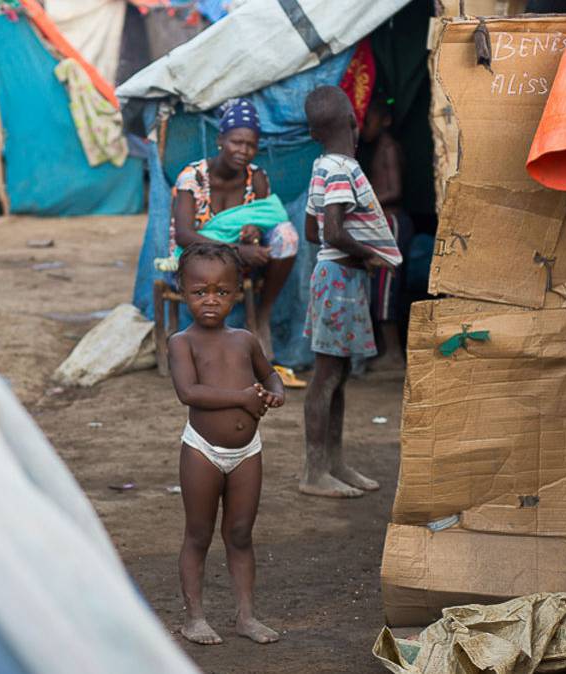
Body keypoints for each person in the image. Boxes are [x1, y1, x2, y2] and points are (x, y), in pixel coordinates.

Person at [167, 242, 284, 646]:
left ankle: (246, 616)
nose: (211, 300)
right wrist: (242, 398)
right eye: (200, 292)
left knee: (240, 533)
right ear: (182, 291)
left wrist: (276, 393)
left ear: (237, 292)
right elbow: (188, 392)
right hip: (202, 451)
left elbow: (270, 375)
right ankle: (194, 618)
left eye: (221, 291)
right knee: (198, 534)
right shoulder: (182, 342)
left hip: (247, 453)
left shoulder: (245, 340)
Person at [300, 86, 402, 499]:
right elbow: (332, 232)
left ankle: (333, 463)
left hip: (336, 277)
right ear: (352, 123)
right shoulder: (342, 169)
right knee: (327, 376)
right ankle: (314, 471)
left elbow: (312, 231)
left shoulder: (321, 167)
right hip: (340, 280)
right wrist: (370, 254)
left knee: (337, 374)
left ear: (313, 134)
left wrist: (351, 252)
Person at [170, 100, 299, 359]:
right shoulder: (193, 177)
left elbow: (262, 221)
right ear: (220, 140)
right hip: (195, 260)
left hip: (240, 263)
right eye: (236, 142)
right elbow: (184, 235)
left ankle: (263, 315)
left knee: (286, 236)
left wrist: (253, 231)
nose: (243, 151)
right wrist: (237, 250)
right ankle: (207, 348)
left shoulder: (257, 178)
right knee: (209, 270)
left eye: (251, 145)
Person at [358, 97, 409, 372]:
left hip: (391, 222)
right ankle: (386, 351)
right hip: (381, 224)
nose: (364, 126)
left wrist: (363, 201)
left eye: (369, 120)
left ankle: (394, 354)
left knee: (386, 289)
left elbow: (395, 190)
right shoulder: (375, 148)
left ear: (385, 120)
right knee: (379, 288)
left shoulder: (387, 147)